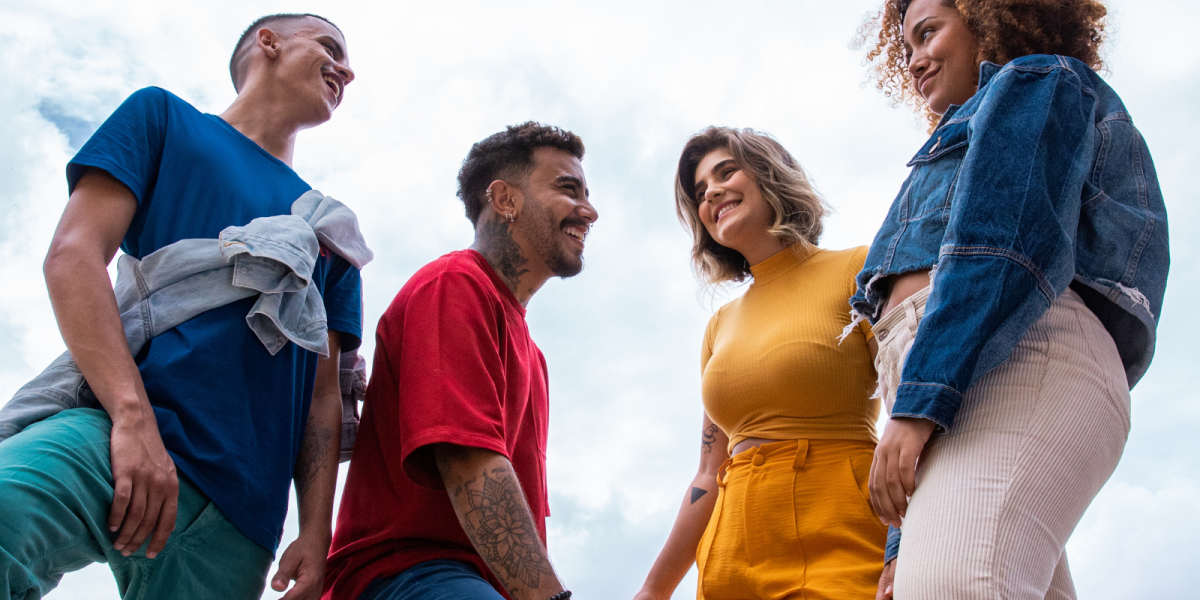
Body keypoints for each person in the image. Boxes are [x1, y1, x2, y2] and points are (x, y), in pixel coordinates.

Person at [0, 13, 363, 600]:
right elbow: (73, 256)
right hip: (118, 433)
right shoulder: (163, 120)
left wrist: (316, 531)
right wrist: (132, 420)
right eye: (329, 47)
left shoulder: (332, 231)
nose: (347, 70)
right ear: (268, 43)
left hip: (239, 516)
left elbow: (322, 397)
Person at [853, 0, 1169, 598]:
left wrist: (917, 407)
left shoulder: (1037, 80)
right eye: (906, 49)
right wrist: (902, 543)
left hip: (1018, 356)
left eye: (928, 34)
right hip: (955, 381)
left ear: (987, 18)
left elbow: (1002, 247)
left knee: (956, 586)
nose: (916, 60)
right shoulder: (958, 135)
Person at [323, 122, 598, 600]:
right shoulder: (453, 284)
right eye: (567, 188)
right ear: (505, 199)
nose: (589, 211)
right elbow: (469, 462)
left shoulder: (534, 356)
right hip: (406, 573)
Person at [633, 127, 886, 600]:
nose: (711, 191)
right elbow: (708, 473)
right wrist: (653, 589)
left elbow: (909, 405)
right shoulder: (719, 326)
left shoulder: (860, 267)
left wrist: (902, 545)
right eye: (700, 192)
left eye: (726, 171)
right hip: (731, 552)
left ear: (771, 175)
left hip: (840, 532)